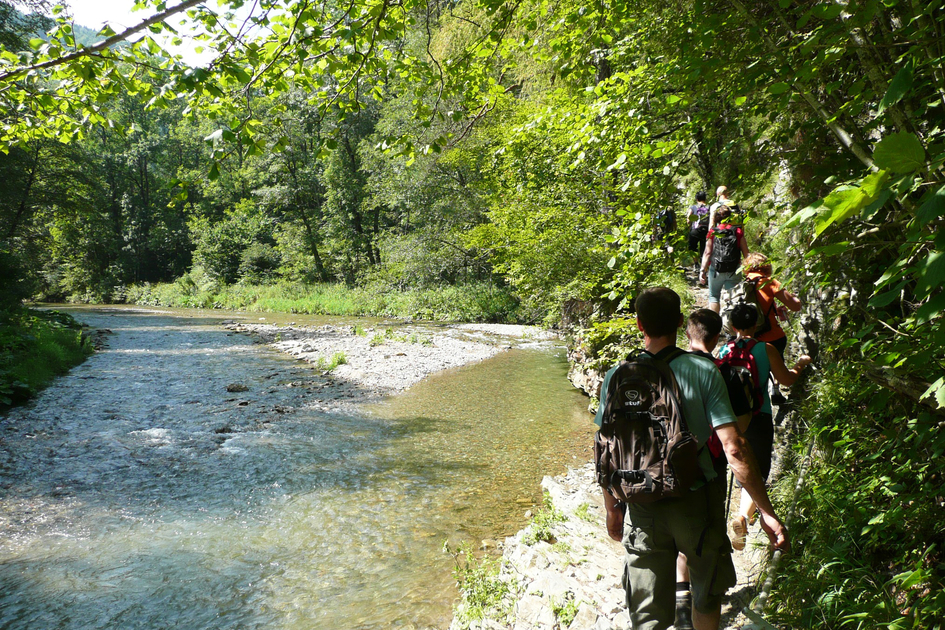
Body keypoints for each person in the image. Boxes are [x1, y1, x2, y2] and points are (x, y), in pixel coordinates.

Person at [597, 287, 789, 630]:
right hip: (696, 499)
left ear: (640, 324)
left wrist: (612, 508)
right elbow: (734, 448)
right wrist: (765, 511)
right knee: (706, 594)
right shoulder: (703, 370)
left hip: (641, 504)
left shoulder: (616, 375)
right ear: (679, 323)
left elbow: (605, 448)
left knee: (646, 612)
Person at [671, 308, 753, 630]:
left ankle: (681, 597)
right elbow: (740, 425)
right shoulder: (725, 373)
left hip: (669, 464)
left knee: (681, 530)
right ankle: (701, 599)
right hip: (710, 467)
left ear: (686, 333)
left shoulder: (671, 367)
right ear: (718, 337)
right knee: (702, 533)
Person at [720, 302, 811, 551]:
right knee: (757, 471)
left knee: (741, 465)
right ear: (757, 324)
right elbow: (787, 380)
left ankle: (742, 518)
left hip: (729, 419)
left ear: (732, 325)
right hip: (758, 415)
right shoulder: (765, 349)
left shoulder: (723, 350)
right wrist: (801, 364)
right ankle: (742, 517)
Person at [699, 205, 749, 309]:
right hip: (734, 270)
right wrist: (748, 271)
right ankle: (732, 319)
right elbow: (746, 254)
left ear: (716, 218)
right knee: (734, 298)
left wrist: (702, 270)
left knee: (714, 297)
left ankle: (715, 319)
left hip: (716, 269)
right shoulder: (738, 231)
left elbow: (707, 253)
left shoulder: (713, 232)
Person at [686, 191, 711, 264]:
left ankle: (696, 263)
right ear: (705, 198)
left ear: (696, 199)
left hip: (695, 230)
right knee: (705, 249)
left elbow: (688, 219)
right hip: (706, 231)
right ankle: (704, 264)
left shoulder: (693, 207)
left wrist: (689, 226)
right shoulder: (709, 207)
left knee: (692, 248)